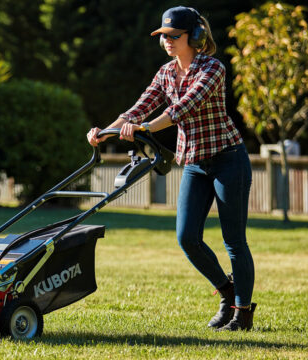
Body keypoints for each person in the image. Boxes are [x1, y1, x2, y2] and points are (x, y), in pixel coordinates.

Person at [85, 6, 256, 331]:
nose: (167, 41)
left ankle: (243, 313)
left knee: (234, 240)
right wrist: (104, 132)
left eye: (173, 36)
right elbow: (139, 108)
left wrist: (145, 128)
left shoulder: (212, 69)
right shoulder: (165, 73)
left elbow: (182, 108)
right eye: (163, 36)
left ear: (194, 37)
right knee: (186, 237)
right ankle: (227, 291)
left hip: (228, 159)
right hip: (194, 162)